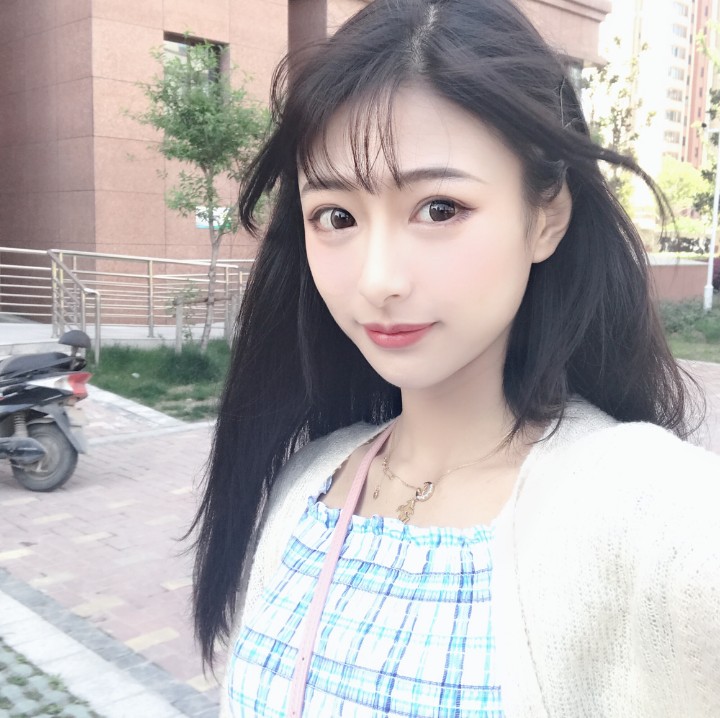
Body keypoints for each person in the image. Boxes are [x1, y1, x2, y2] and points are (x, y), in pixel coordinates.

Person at [189, 0, 720, 715]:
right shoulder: (309, 481)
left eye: (439, 208)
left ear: (547, 217)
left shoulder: (650, 512)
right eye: (336, 217)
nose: (379, 279)